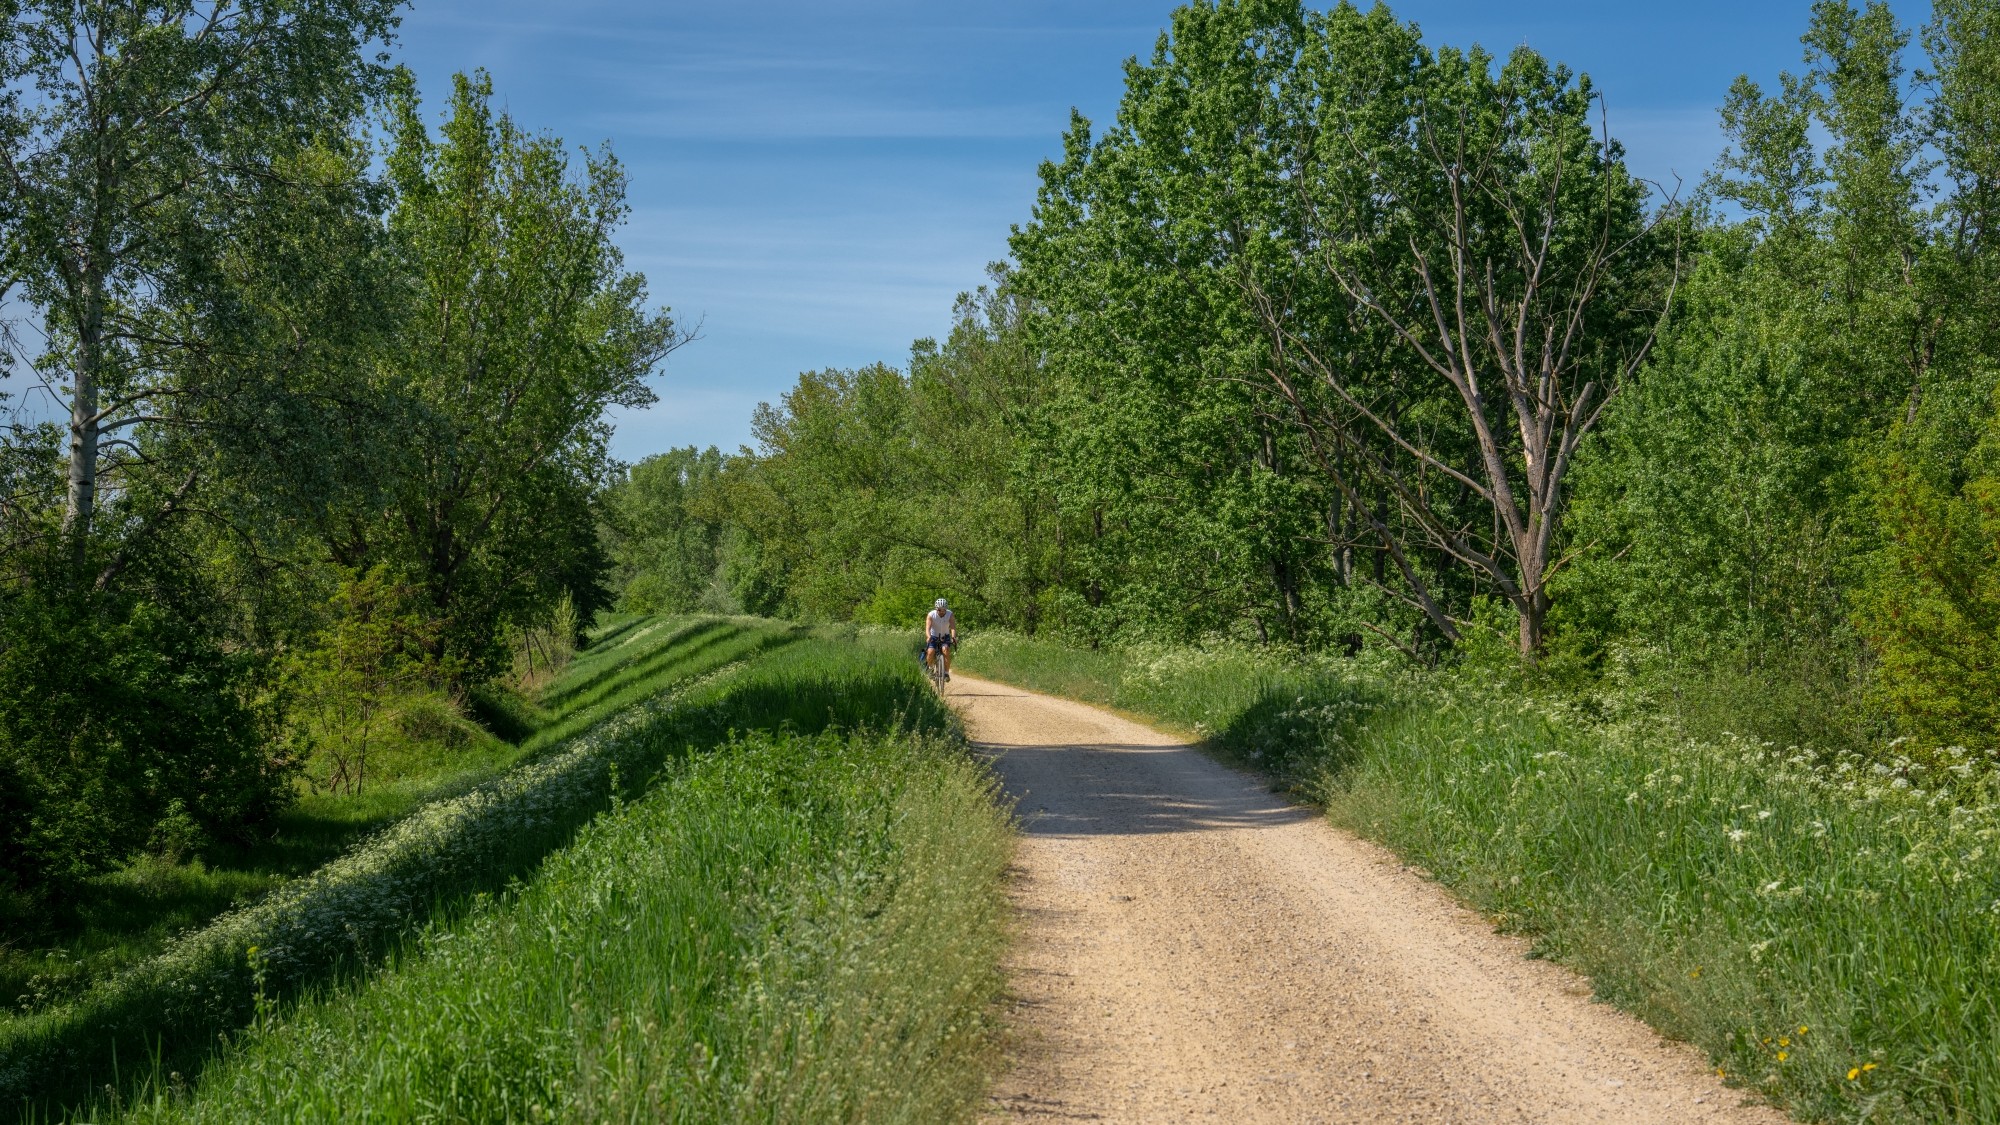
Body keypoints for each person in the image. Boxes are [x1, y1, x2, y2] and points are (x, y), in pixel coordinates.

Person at [924, 597, 957, 682]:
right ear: (936, 609)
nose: (942, 612)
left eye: (943, 610)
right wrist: (928, 636)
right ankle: (931, 669)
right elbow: (927, 628)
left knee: (946, 650)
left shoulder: (950, 614)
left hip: (945, 636)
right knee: (930, 651)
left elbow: (953, 627)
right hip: (933, 636)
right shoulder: (931, 615)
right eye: (939, 610)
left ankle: (946, 673)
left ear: (946, 609)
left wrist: (953, 637)